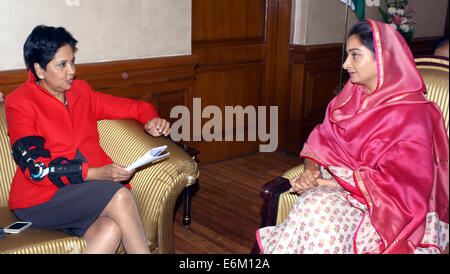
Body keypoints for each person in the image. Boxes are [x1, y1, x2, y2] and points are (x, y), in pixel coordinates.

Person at [256, 20, 449, 254]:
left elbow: (403, 186)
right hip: (339, 192)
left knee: (315, 208)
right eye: (348, 54)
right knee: (313, 206)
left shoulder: (412, 113)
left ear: (384, 57)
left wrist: (324, 182)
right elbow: (320, 141)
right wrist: (310, 171)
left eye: (355, 55)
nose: (346, 63)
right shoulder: (348, 98)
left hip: (385, 212)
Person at [5, 25, 171, 254]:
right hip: (41, 198)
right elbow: (36, 169)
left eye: (72, 62)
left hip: (84, 190)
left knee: (110, 229)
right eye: (62, 65)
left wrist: (151, 120)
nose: (71, 71)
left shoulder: (81, 91)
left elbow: (135, 107)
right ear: (39, 70)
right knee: (119, 195)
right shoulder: (20, 102)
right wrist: (94, 173)